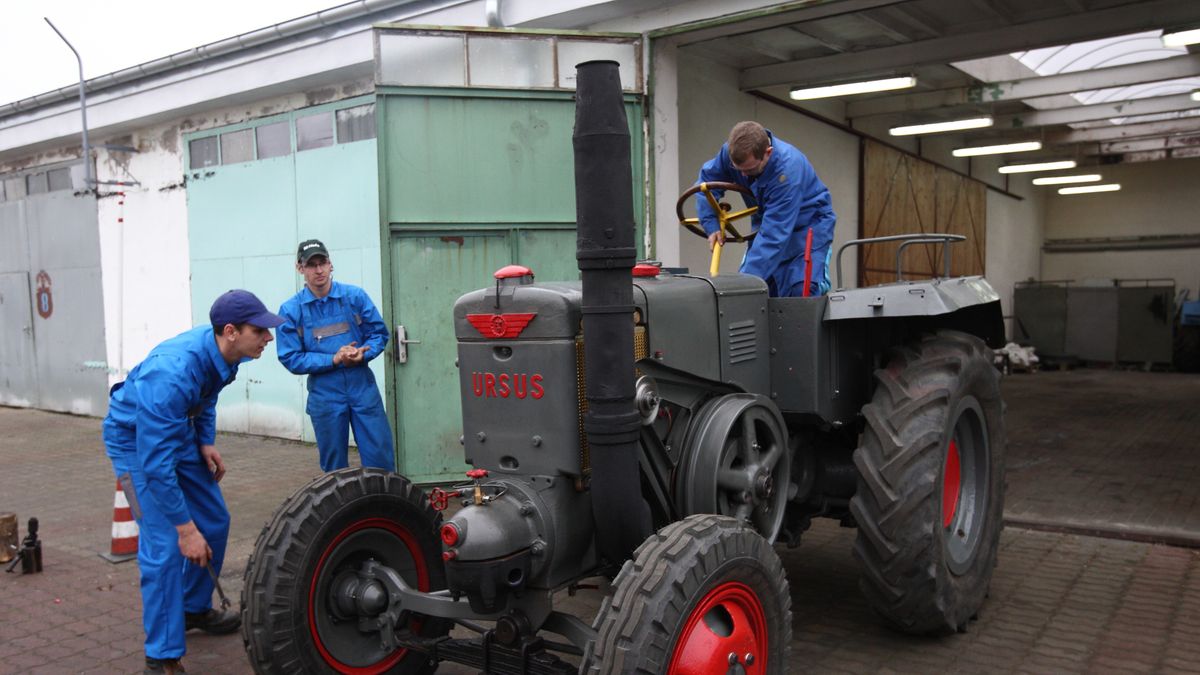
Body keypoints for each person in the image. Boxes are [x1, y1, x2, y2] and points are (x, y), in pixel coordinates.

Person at [102, 290, 284, 675]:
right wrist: (185, 530)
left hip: (177, 429)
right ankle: (162, 654)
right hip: (135, 441)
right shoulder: (172, 373)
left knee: (215, 522)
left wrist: (204, 441)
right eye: (261, 331)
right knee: (166, 545)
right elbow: (154, 465)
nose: (268, 338)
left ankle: (192, 608)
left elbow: (208, 396)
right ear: (231, 331)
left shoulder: (223, 352)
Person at [277, 239, 396, 472]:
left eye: (323, 263)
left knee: (380, 460)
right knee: (334, 469)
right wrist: (333, 359)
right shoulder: (291, 311)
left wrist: (363, 354)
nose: (319, 270)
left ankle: (382, 506)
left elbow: (379, 334)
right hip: (325, 394)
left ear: (331, 265)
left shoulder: (355, 297)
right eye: (311, 265)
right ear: (300, 268)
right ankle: (343, 508)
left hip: (362, 389)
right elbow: (290, 357)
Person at [697, 120, 837, 297]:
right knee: (760, 292)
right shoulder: (730, 153)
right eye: (737, 169)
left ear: (767, 153)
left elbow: (774, 235)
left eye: (749, 170)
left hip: (806, 227)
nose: (743, 175)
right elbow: (707, 183)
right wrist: (710, 223)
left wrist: (743, 286)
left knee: (800, 290)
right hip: (766, 224)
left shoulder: (787, 172)